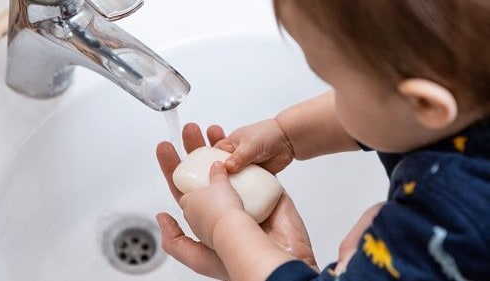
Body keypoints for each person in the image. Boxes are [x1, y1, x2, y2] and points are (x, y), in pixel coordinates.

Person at [156, 0, 490, 280]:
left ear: (425, 105)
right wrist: (288, 134)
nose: (334, 96)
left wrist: (226, 228)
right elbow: (393, 111)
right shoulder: (471, 91)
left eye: (336, 86)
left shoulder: (450, 221)